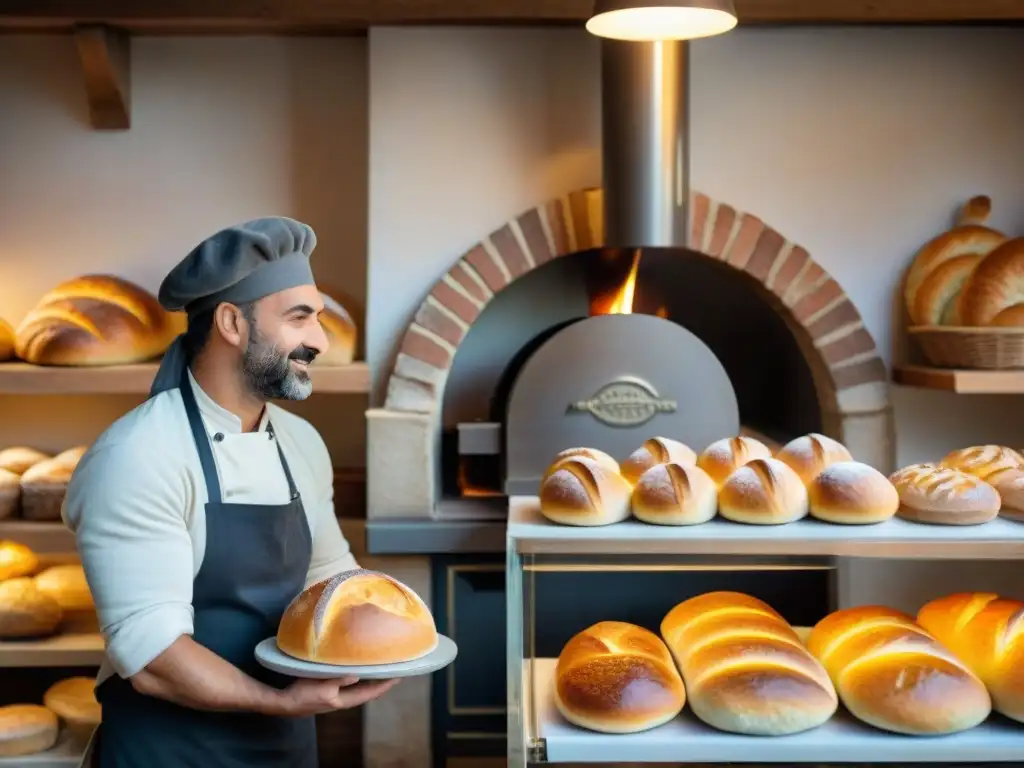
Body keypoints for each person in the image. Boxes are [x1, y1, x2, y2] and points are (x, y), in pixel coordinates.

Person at [64, 217, 396, 767]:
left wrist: (388, 630)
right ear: (231, 323)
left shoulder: (301, 443)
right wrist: (276, 701)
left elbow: (329, 578)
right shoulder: (138, 456)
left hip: (285, 745)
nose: (319, 339)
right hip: (170, 749)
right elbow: (154, 660)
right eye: (299, 317)